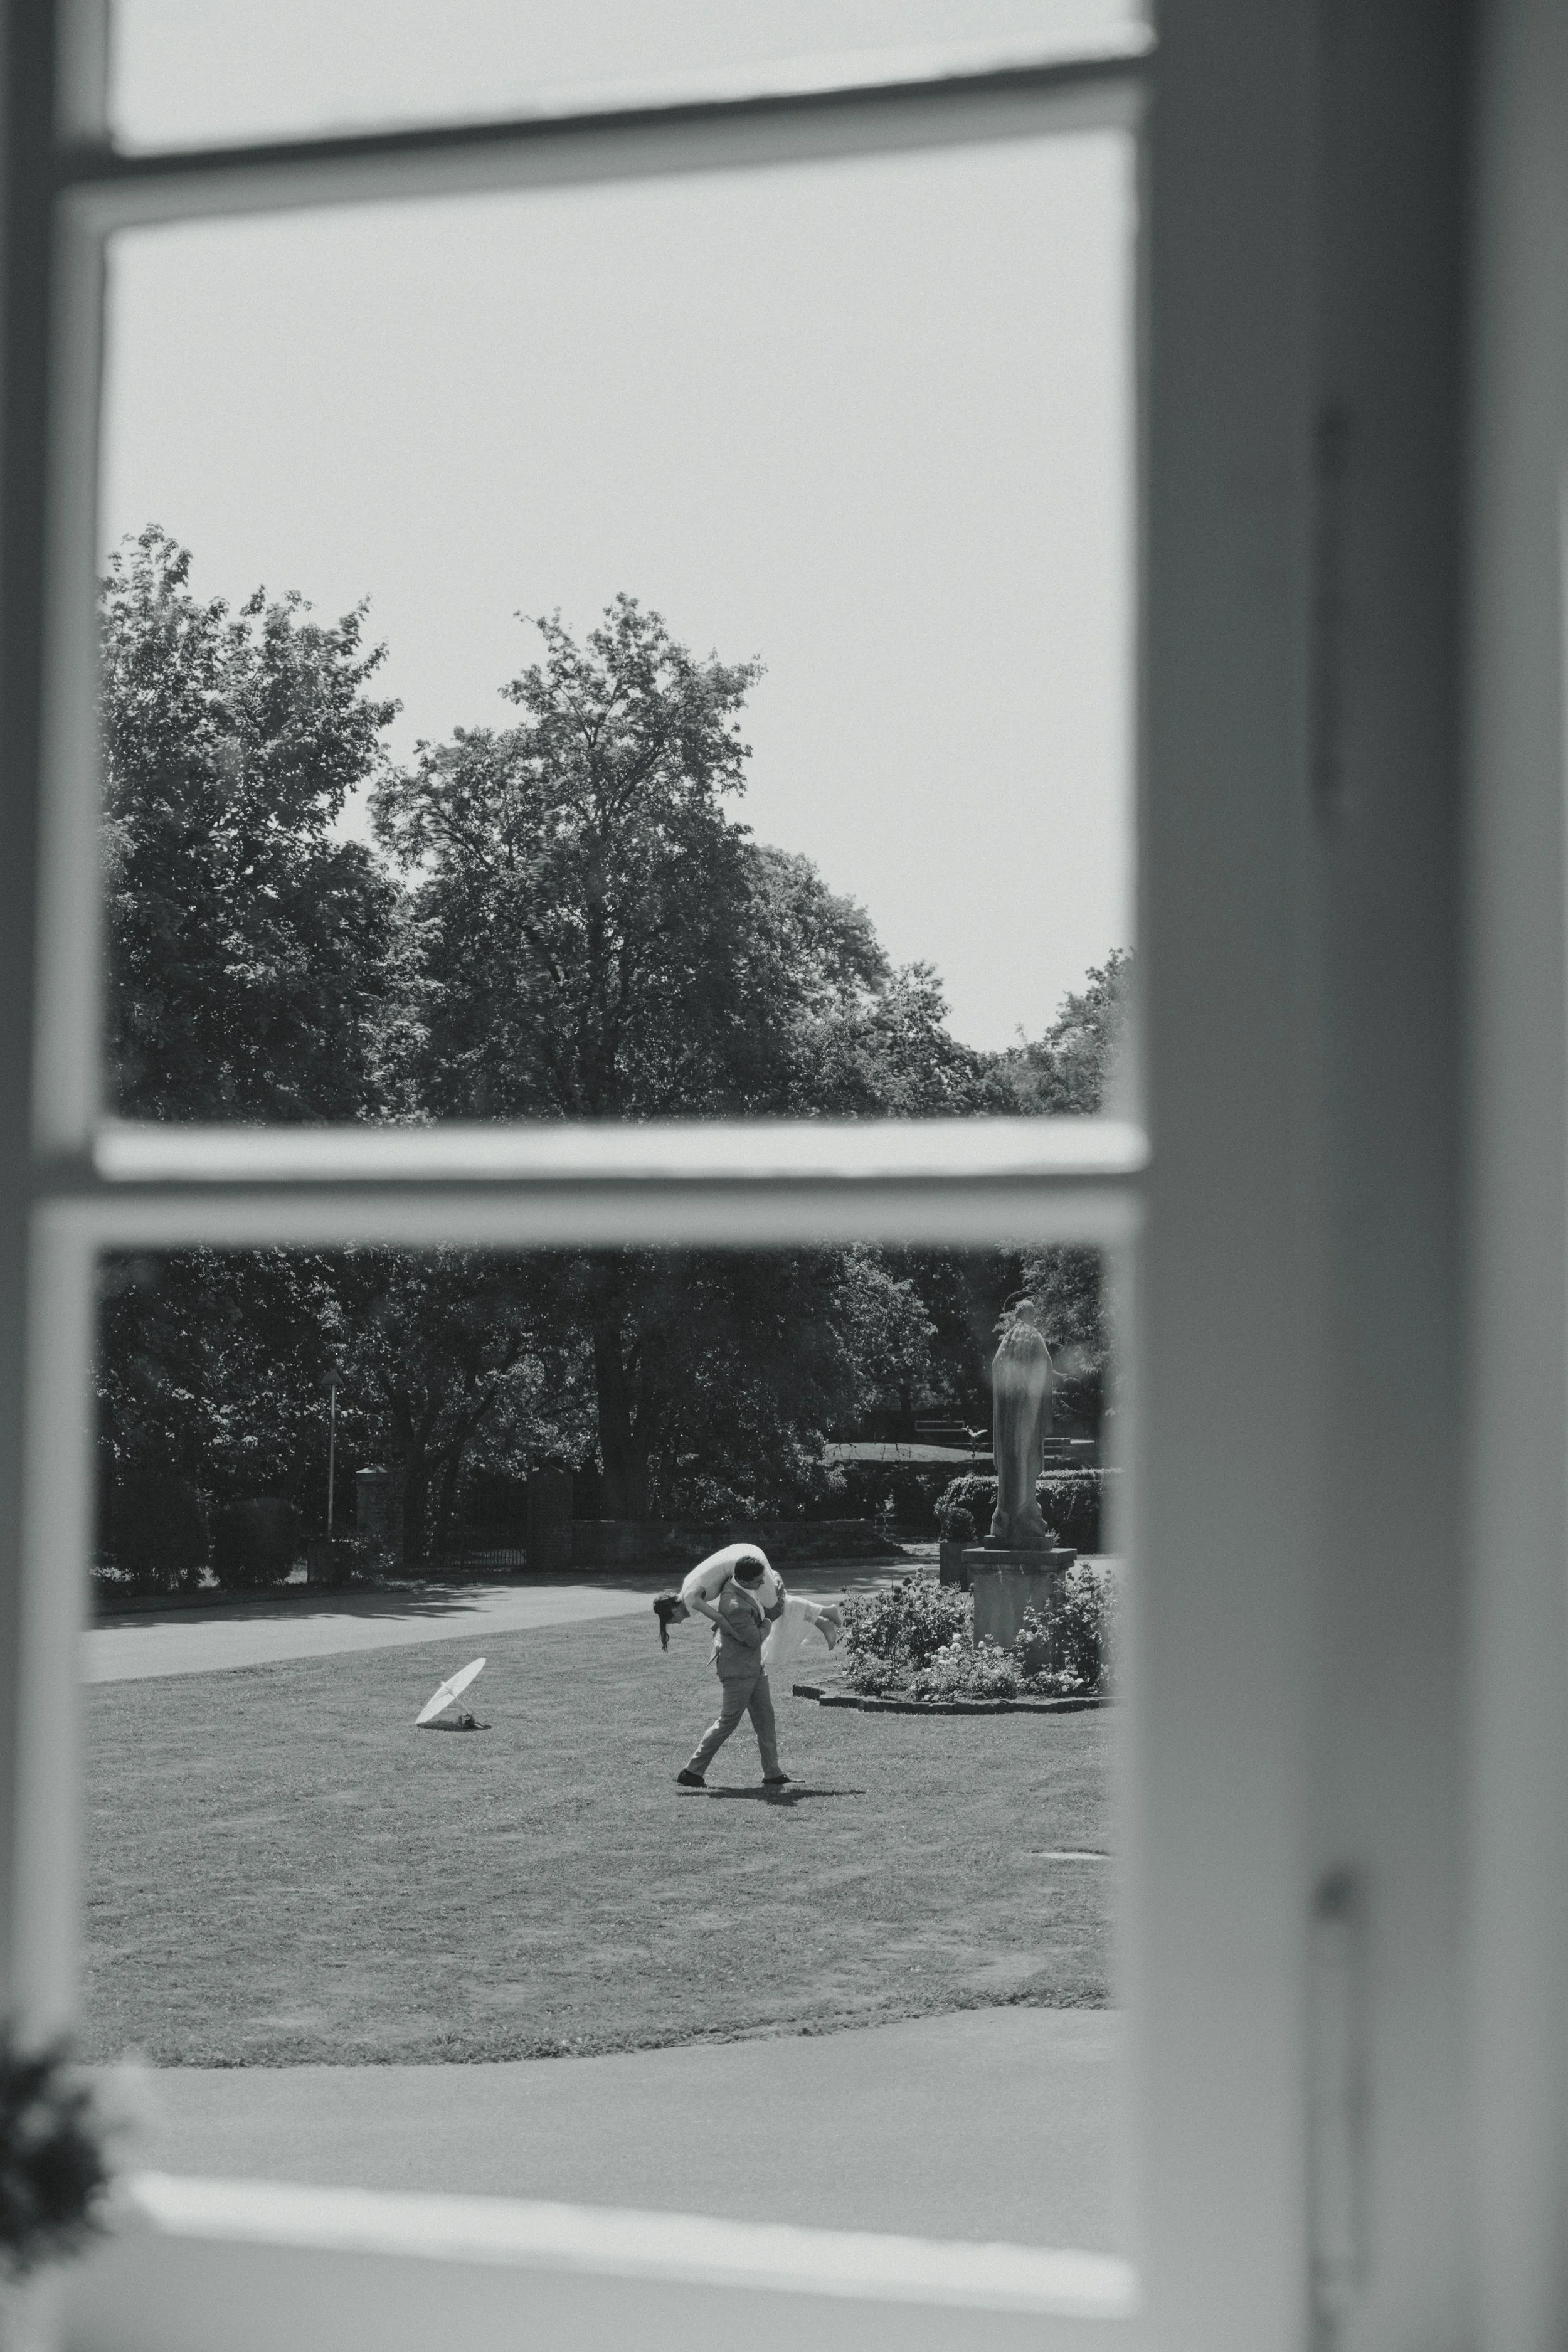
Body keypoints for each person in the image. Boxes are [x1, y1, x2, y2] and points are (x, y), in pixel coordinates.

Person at [675, 1551, 790, 1789]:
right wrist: (770, 1618)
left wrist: (775, 1579)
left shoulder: (742, 1585)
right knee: (727, 1722)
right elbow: (753, 1639)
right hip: (738, 1671)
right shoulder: (735, 1606)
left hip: (753, 1668)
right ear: (746, 1581)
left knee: (766, 1720)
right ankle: (691, 1772)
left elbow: (767, 1580)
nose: (761, 1584)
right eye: (759, 1581)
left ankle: (773, 1773)